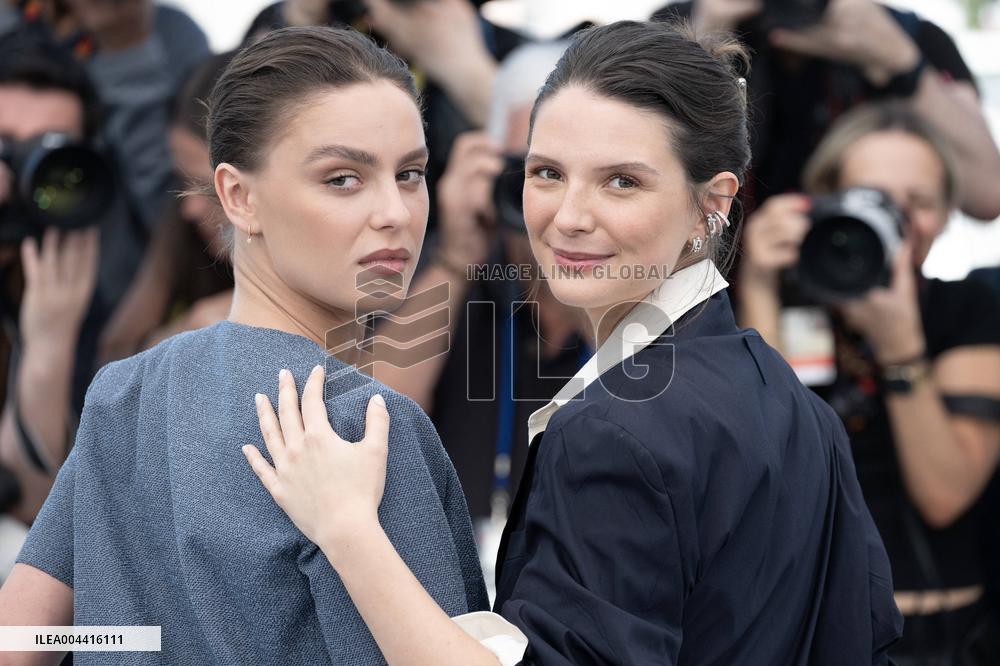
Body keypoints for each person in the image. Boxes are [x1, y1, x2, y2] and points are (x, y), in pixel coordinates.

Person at [242, 20, 903, 665]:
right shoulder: (794, 404)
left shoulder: (614, 435)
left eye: (623, 181)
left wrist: (347, 530)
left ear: (713, 204)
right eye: (548, 173)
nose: (569, 217)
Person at [0, 26, 486, 664]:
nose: (394, 211)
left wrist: (141, 642)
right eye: (343, 178)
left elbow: (20, 639)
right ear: (238, 196)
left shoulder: (125, 393)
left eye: (410, 173)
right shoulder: (361, 426)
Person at [739, 102, 1000, 664]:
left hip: (939, 638)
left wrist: (901, 346)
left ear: (947, 215)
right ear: (820, 203)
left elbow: (944, 496)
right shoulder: (784, 311)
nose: (893, 222)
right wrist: (759, 284)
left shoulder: (969, 309)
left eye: (918, 203)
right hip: (803, 634)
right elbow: (774, 471)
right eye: (871, 199)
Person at [371, 41, 590, 566]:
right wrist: (456, 260)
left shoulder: (633, 287)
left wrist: (586, 278)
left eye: (569, 173)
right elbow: (367, 421)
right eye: (532, 171)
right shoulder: (448, 277)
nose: (552, 203)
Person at [655, 0, 1000, 221]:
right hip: (714, 292)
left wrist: (900, 62)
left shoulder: (909, 37)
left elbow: (987, 195)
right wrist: (705, 42)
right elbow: (649, 175)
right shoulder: (680, 24)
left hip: (867, 281)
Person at [97, 52, 235, 365]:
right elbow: (117, 354)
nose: (190, 208)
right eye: (182, 180)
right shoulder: (181, 234)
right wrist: (182, 337)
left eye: (210, 188)